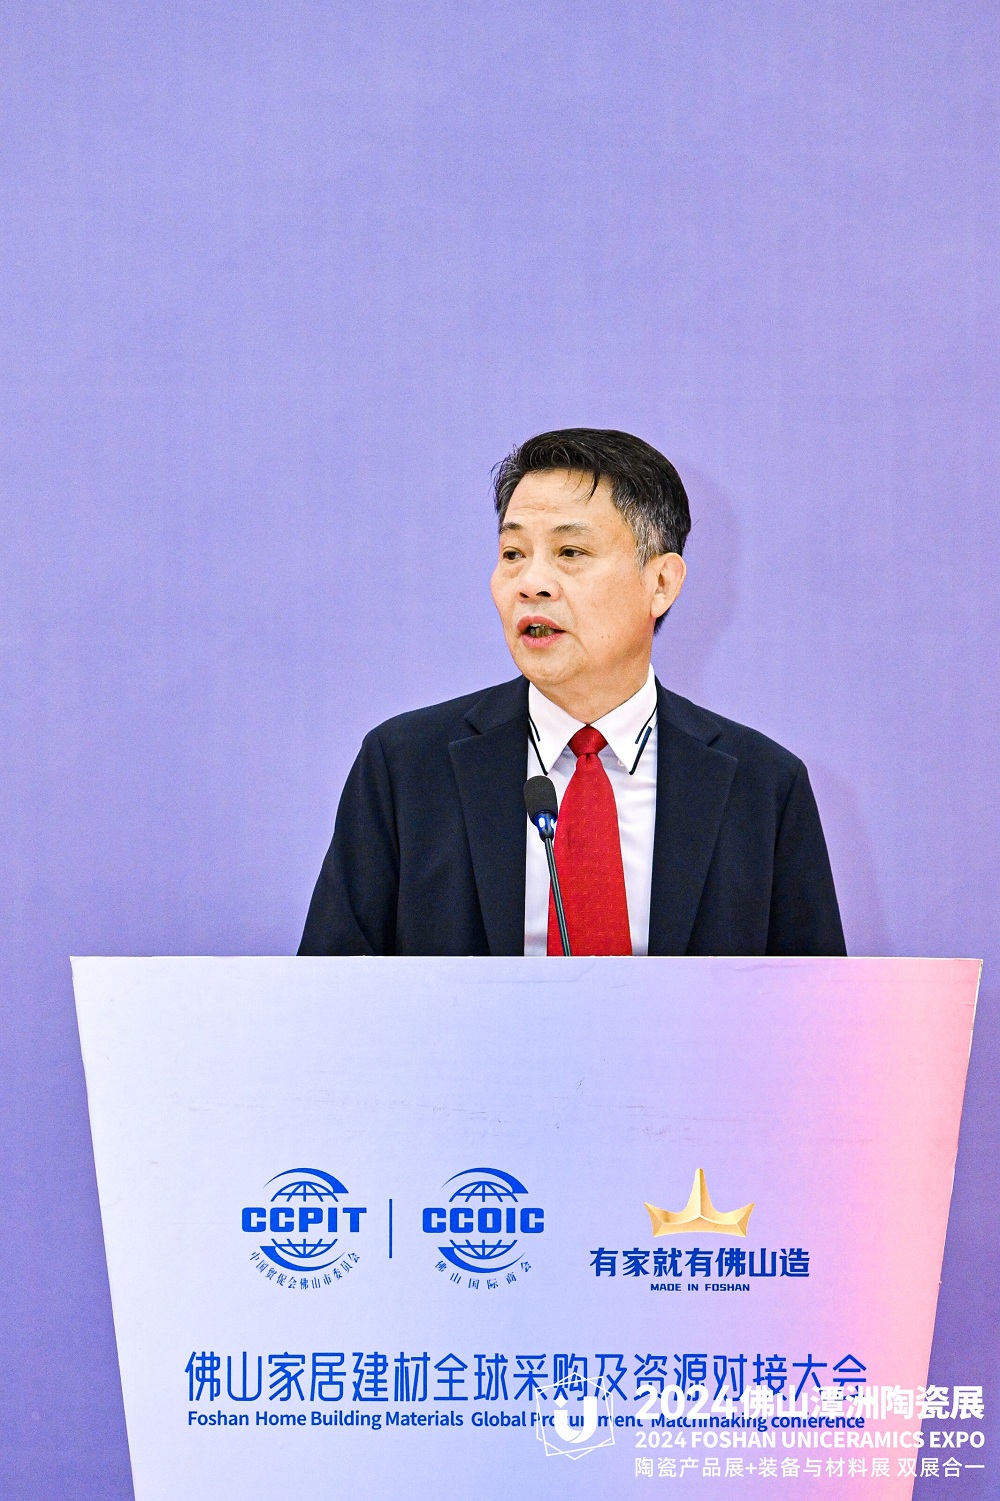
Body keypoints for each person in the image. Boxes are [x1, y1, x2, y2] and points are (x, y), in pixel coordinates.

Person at [299, 428, 845, 957]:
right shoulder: (405, 767)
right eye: (513, 553)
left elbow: (815, 1006)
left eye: (570, 552)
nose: (531, 583)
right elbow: (328, 996)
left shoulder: (763, 786)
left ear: (661, 583)